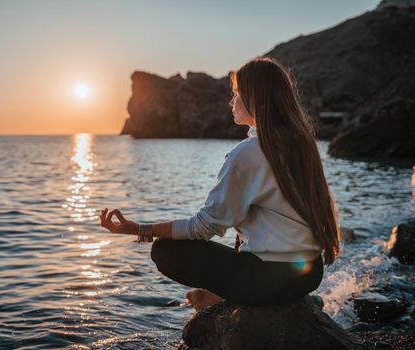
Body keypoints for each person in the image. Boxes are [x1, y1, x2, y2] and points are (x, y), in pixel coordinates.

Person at [100, 57, 340, 312]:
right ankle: (263, 297)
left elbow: (205, 226)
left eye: (236, 94)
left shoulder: (248, 153)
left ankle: (225, 298)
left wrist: (139, 229)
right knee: (244, 222)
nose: (231, 101)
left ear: (253, 99)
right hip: (310, 273)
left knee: (165, 250)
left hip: (271, 279)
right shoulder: (301, 144)